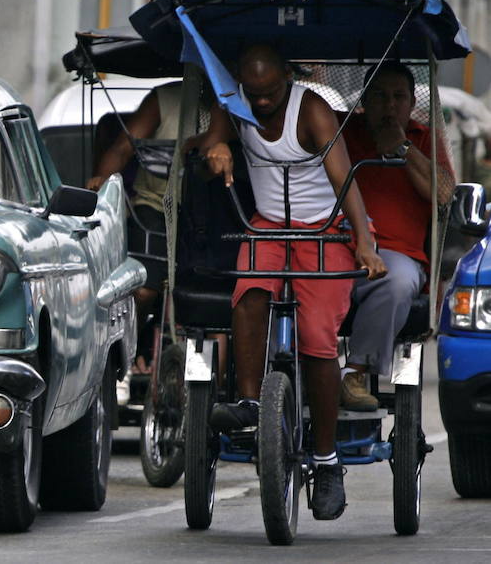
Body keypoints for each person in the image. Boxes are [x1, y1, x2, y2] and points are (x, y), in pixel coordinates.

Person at [200, 43, 385, 521]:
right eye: (253, 93)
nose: (261, 102)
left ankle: (326, 461)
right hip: (267, 225)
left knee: (319, 337)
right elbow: (215, 135)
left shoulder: (313, 110)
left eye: (270, 92)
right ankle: (247, 398)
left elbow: (345, 179)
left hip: (324, 229)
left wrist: (364, 242)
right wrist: (216, 146)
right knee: (249, 293)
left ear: (288, 74)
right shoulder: (234, 101)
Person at [339, 61, 455, 410]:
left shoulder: (424, 138)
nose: (390, 106)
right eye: (380, 96)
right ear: (364, 100)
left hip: (393, 256)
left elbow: (445, 194)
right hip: (336, 246)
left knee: (399, 281)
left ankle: (354, 374)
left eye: (398, 97)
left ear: (410, 103)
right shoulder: (343, 131)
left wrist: (403, 149)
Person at [87, 81, 207, 374]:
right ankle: (127, 355)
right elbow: (122, 148)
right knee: (142, 290)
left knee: (208, 294)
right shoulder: (165, 98)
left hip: (208, 213)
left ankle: (208, 372)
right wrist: (101, 180)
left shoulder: (241, 103)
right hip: (155, 204)